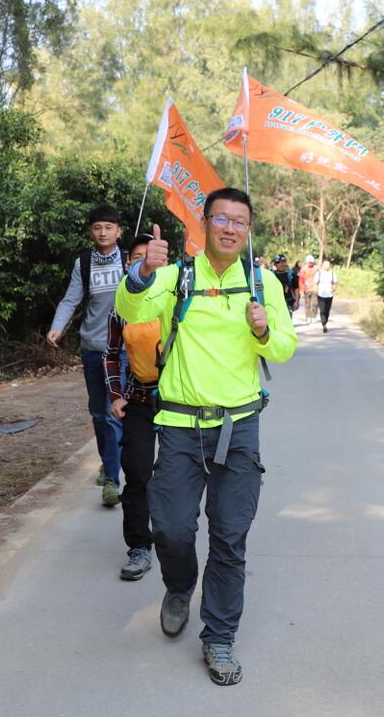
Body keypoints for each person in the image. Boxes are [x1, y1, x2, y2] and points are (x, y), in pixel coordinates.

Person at [115, 188, 296, 687]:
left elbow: (284, 349)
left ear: (249, 231)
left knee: (230, 535)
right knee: (170, 528)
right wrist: (144, 272)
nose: (231, 228)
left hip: (239, 427)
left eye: (241, 221)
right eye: (223, 218)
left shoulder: (263, 284)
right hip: (177, 424)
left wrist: (263, 331)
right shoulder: (177, 278)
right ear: (205, 224)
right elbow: (128, 308)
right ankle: (178, 585)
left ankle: (218, 636)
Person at [46, 204, 125, 508]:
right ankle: (109, 461)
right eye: (97, 227)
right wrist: (57, 327)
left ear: (118, 231)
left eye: (108, 227)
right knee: (97, 412)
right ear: (91, 231)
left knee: (111, 412)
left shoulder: (131, 259)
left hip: (124, 349)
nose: (103, 232)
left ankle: (112, 479)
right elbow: (70, 299)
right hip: (93, 346)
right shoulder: (85, 263)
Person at [106, 234, 158, 581]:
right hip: (138, 400)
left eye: (152, 257)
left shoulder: (176, 302)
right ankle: (139, 545)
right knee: (137, 473)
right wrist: (115, 396)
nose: (146, 263)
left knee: (173, 477)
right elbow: (110, 356)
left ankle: (174, 539)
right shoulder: (120, 308)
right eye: (138, 258)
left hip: (178, 403)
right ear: (129, 266)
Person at [313, 257, 337, 333]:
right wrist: (316, 291)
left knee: (327, 310)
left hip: (329, 295)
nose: (327, 266)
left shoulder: (332, 274)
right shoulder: (318, 273)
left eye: (328, 264)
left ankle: (325, 321)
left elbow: (335, 283)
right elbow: (315, 283)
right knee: (322, 310)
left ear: (330, 265)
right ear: (322, 265)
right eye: (325, 264)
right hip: (321, 294)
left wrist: (333, 289)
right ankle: (324, 324)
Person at [298, 254, 318, 320]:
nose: (310, 264)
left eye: (311, 262)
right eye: (309, 262)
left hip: (315, 289)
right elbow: (301, 280)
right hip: (306, 289)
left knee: (315, 303)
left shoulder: (316, 269)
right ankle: (308, 316)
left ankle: (313, 316)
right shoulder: (303, 269)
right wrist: (301, 290)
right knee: (307, 304)